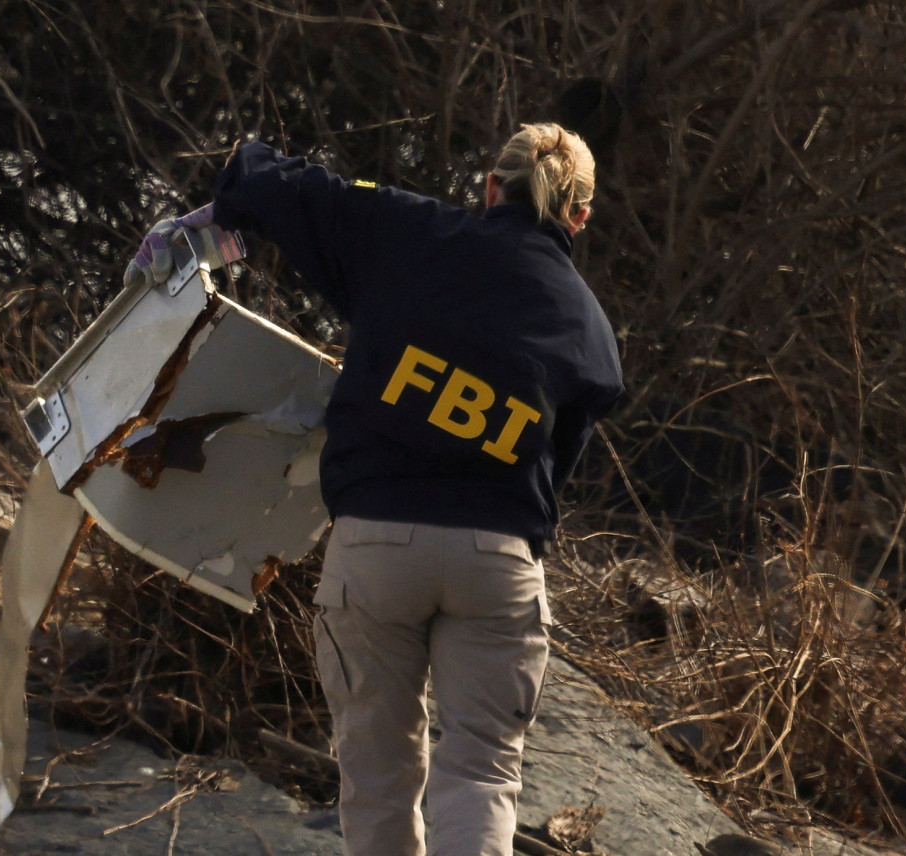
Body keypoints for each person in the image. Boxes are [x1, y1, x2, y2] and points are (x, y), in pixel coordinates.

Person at [127, 123, 623, 856]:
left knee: (378, 774)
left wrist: (238, 178)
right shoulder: (591, 327)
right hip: (498, 559)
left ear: (490, 187)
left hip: (377, 545)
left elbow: (283, 187)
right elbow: (561, 461)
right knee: (482, 775)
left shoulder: (406, 231)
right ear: (579, 217)